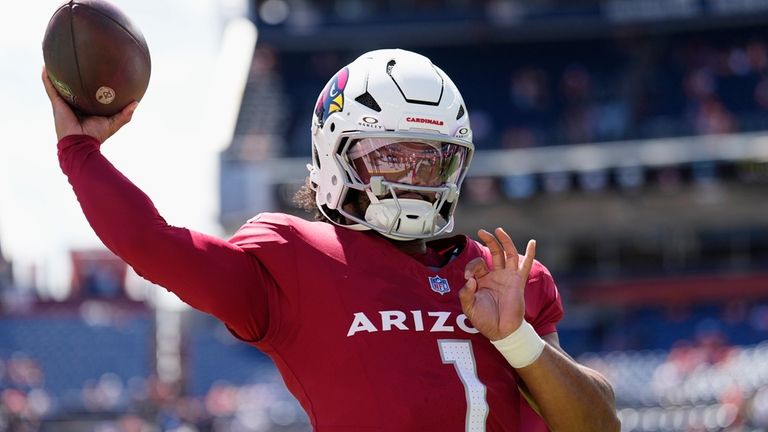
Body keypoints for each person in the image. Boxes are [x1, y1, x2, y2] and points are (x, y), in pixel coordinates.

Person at [44, 49, 619, 431]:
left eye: (431, 161)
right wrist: (80, 154)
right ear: (333, 157)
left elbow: (598, 425)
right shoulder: (294, 261)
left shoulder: (502, 276)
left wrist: (517, 337)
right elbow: (154, 244)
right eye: (391, 156)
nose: (414, 179)